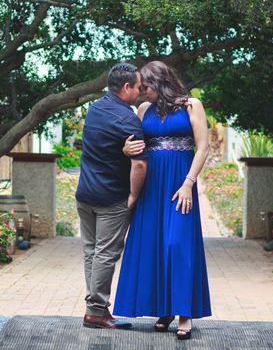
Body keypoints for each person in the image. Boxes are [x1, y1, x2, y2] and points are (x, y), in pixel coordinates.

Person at [114, 60, 212, 340]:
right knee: (154, 245)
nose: (142, 92)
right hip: (152, 184)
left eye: (146, 87)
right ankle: (165, 310)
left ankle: (184, 314)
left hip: (180, 183)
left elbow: (203, 147)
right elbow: (134, 145)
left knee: (177, 244)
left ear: (160, 83)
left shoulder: (192, 105)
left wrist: (189, 184)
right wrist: (125, 148)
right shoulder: (143, 110)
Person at [75, 62, 148, 329]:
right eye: (138, 87)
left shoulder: (94, 110)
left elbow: (102, 146)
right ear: (126, 87)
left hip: (85, 194)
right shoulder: (128, 119)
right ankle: (96, 312)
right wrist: (133, 195)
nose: (140, 92)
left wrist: (121, 151)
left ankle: (94, 306)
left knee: (91, 252)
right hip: (111, 198)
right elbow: (140, 164)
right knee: (106, 254)